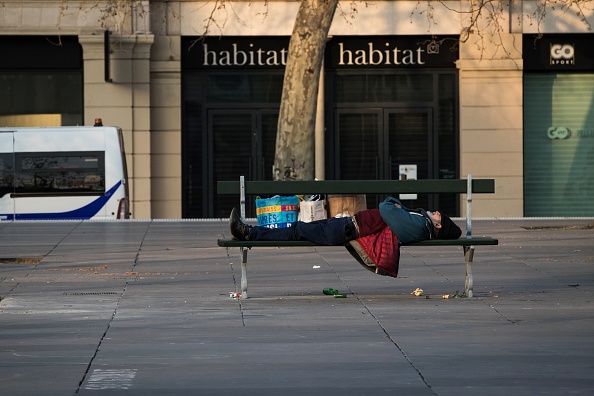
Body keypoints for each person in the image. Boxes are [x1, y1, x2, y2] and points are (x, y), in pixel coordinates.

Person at [229, 196, 461, 245]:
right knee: (296, 230)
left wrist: (395, 204)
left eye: (440, 215)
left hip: (345, 229)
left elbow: (386, 207)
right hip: (346, 226)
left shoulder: (420, 225)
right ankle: (249, 232)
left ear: (438, 225)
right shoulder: (420, 222)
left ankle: (249, 233)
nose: (436, 211)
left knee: (295, 230)